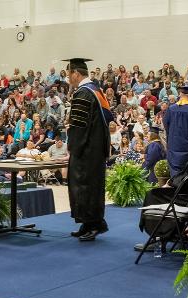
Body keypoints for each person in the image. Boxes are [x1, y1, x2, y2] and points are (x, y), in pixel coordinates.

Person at [64, 58, 111, 242]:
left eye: (69, 74)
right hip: (95, 148)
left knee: (85, 186)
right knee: (91, 186)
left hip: (86, 150)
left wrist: (73, 147)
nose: (68, 78)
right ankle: (89, 223)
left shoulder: (83, 94)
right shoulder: (96, 90)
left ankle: (94, 223)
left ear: (76, 73)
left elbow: (78, 126)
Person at [163, 86, 188, 177]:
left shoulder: (171, 109)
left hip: (174, 145)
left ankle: (175, 189)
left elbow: (166, 125)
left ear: (180, 95)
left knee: (175, 174)